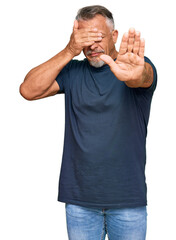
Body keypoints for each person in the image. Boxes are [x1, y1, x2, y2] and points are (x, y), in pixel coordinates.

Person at [20, 5, 157, 240]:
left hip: (127, 201)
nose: (92, 46)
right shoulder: (72, 71)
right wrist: (69, 50)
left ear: (114, 36)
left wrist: (136, 74)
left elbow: (142, 77)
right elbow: (28, 90)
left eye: (99, 37)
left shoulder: (133, 66)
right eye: (84, 39)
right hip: (80, 203)